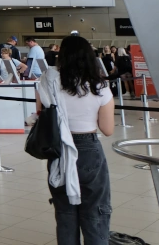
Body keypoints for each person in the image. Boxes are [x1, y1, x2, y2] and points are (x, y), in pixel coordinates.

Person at [36, 35, 113, 245]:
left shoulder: (47, 81)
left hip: (59, 151)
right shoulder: (100, 86)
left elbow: (42, 115)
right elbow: (107, 129)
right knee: (95, 212)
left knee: (65, 214)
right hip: (89, 150)